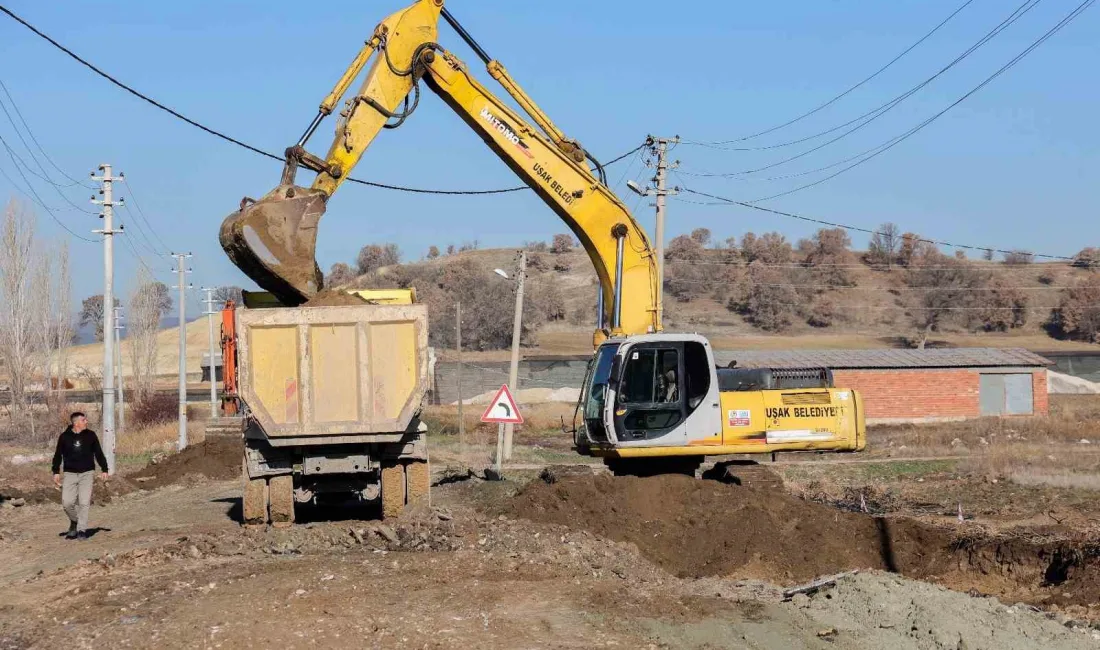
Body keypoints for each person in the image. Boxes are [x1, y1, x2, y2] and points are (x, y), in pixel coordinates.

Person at [51, 412, 109, 540]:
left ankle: (81, 530)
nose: (86, 422)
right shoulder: (64, 437)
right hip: (70, 474)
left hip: (87, 473)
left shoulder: (91, 435)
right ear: (76, 423)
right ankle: (75, 521)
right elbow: (57, 455)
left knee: (84, 502)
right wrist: (55, 471)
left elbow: (98, 453)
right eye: (84, 420)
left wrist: (104, 469)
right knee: (67, 503)